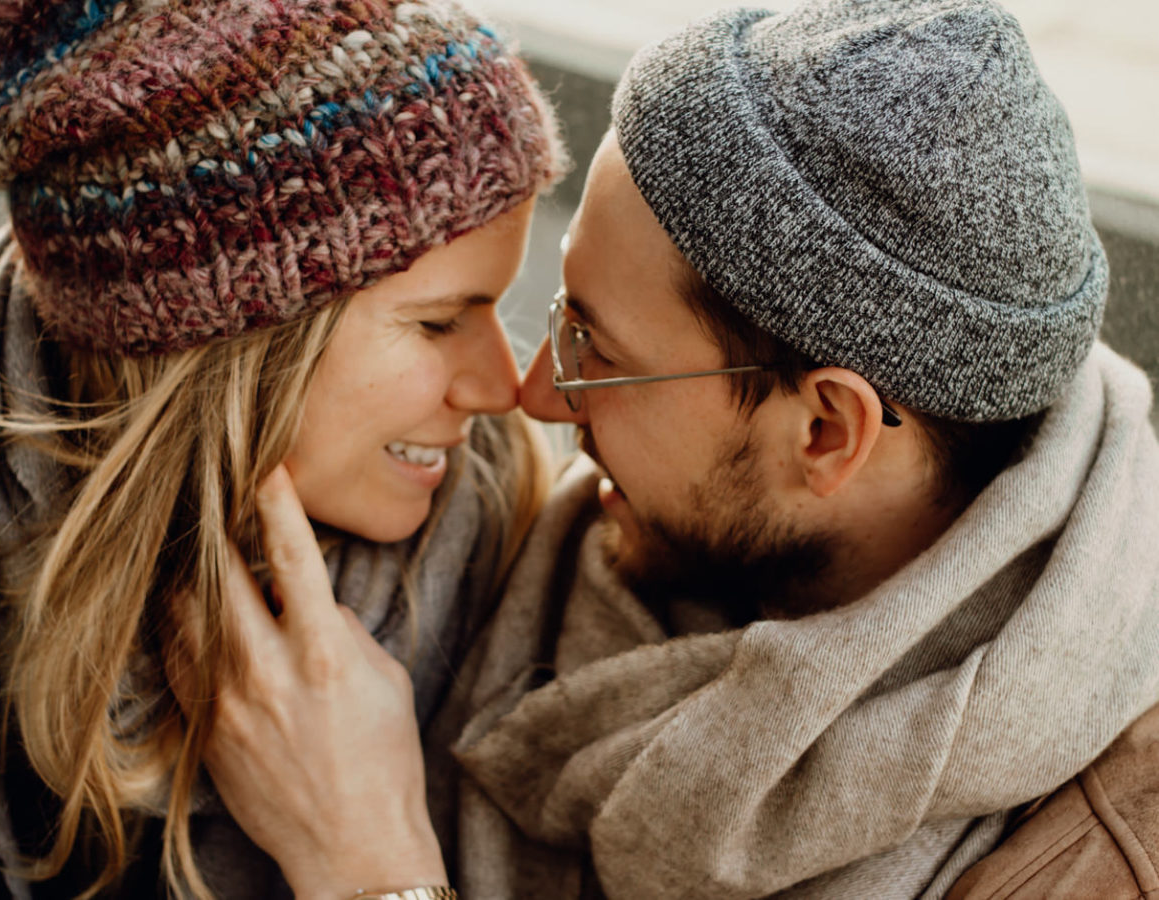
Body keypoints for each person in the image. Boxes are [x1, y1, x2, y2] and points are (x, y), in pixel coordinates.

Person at [191, 0, 1159, 897]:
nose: (532, 397)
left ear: (826, 432)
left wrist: (371, 866)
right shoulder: (539, 555)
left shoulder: (1099, 857)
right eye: (561, 314)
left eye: (594, 350)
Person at [0, 0, 567, 897]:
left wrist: (370, 862)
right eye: (440, 321)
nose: (505, 387)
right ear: (227, 348)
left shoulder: (527, 553)